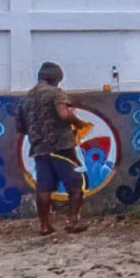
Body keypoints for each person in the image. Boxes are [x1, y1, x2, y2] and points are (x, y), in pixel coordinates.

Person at [15, 62, 86, 236]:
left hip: (39, 149)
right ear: (54, 77)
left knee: (44, 189)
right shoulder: (56, 93)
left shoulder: (26, 99)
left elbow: (20, 128)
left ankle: (44, 225)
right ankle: (72, 223)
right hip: (62, 147)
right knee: (76, 184)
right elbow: (64, 115)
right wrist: (78, 123)